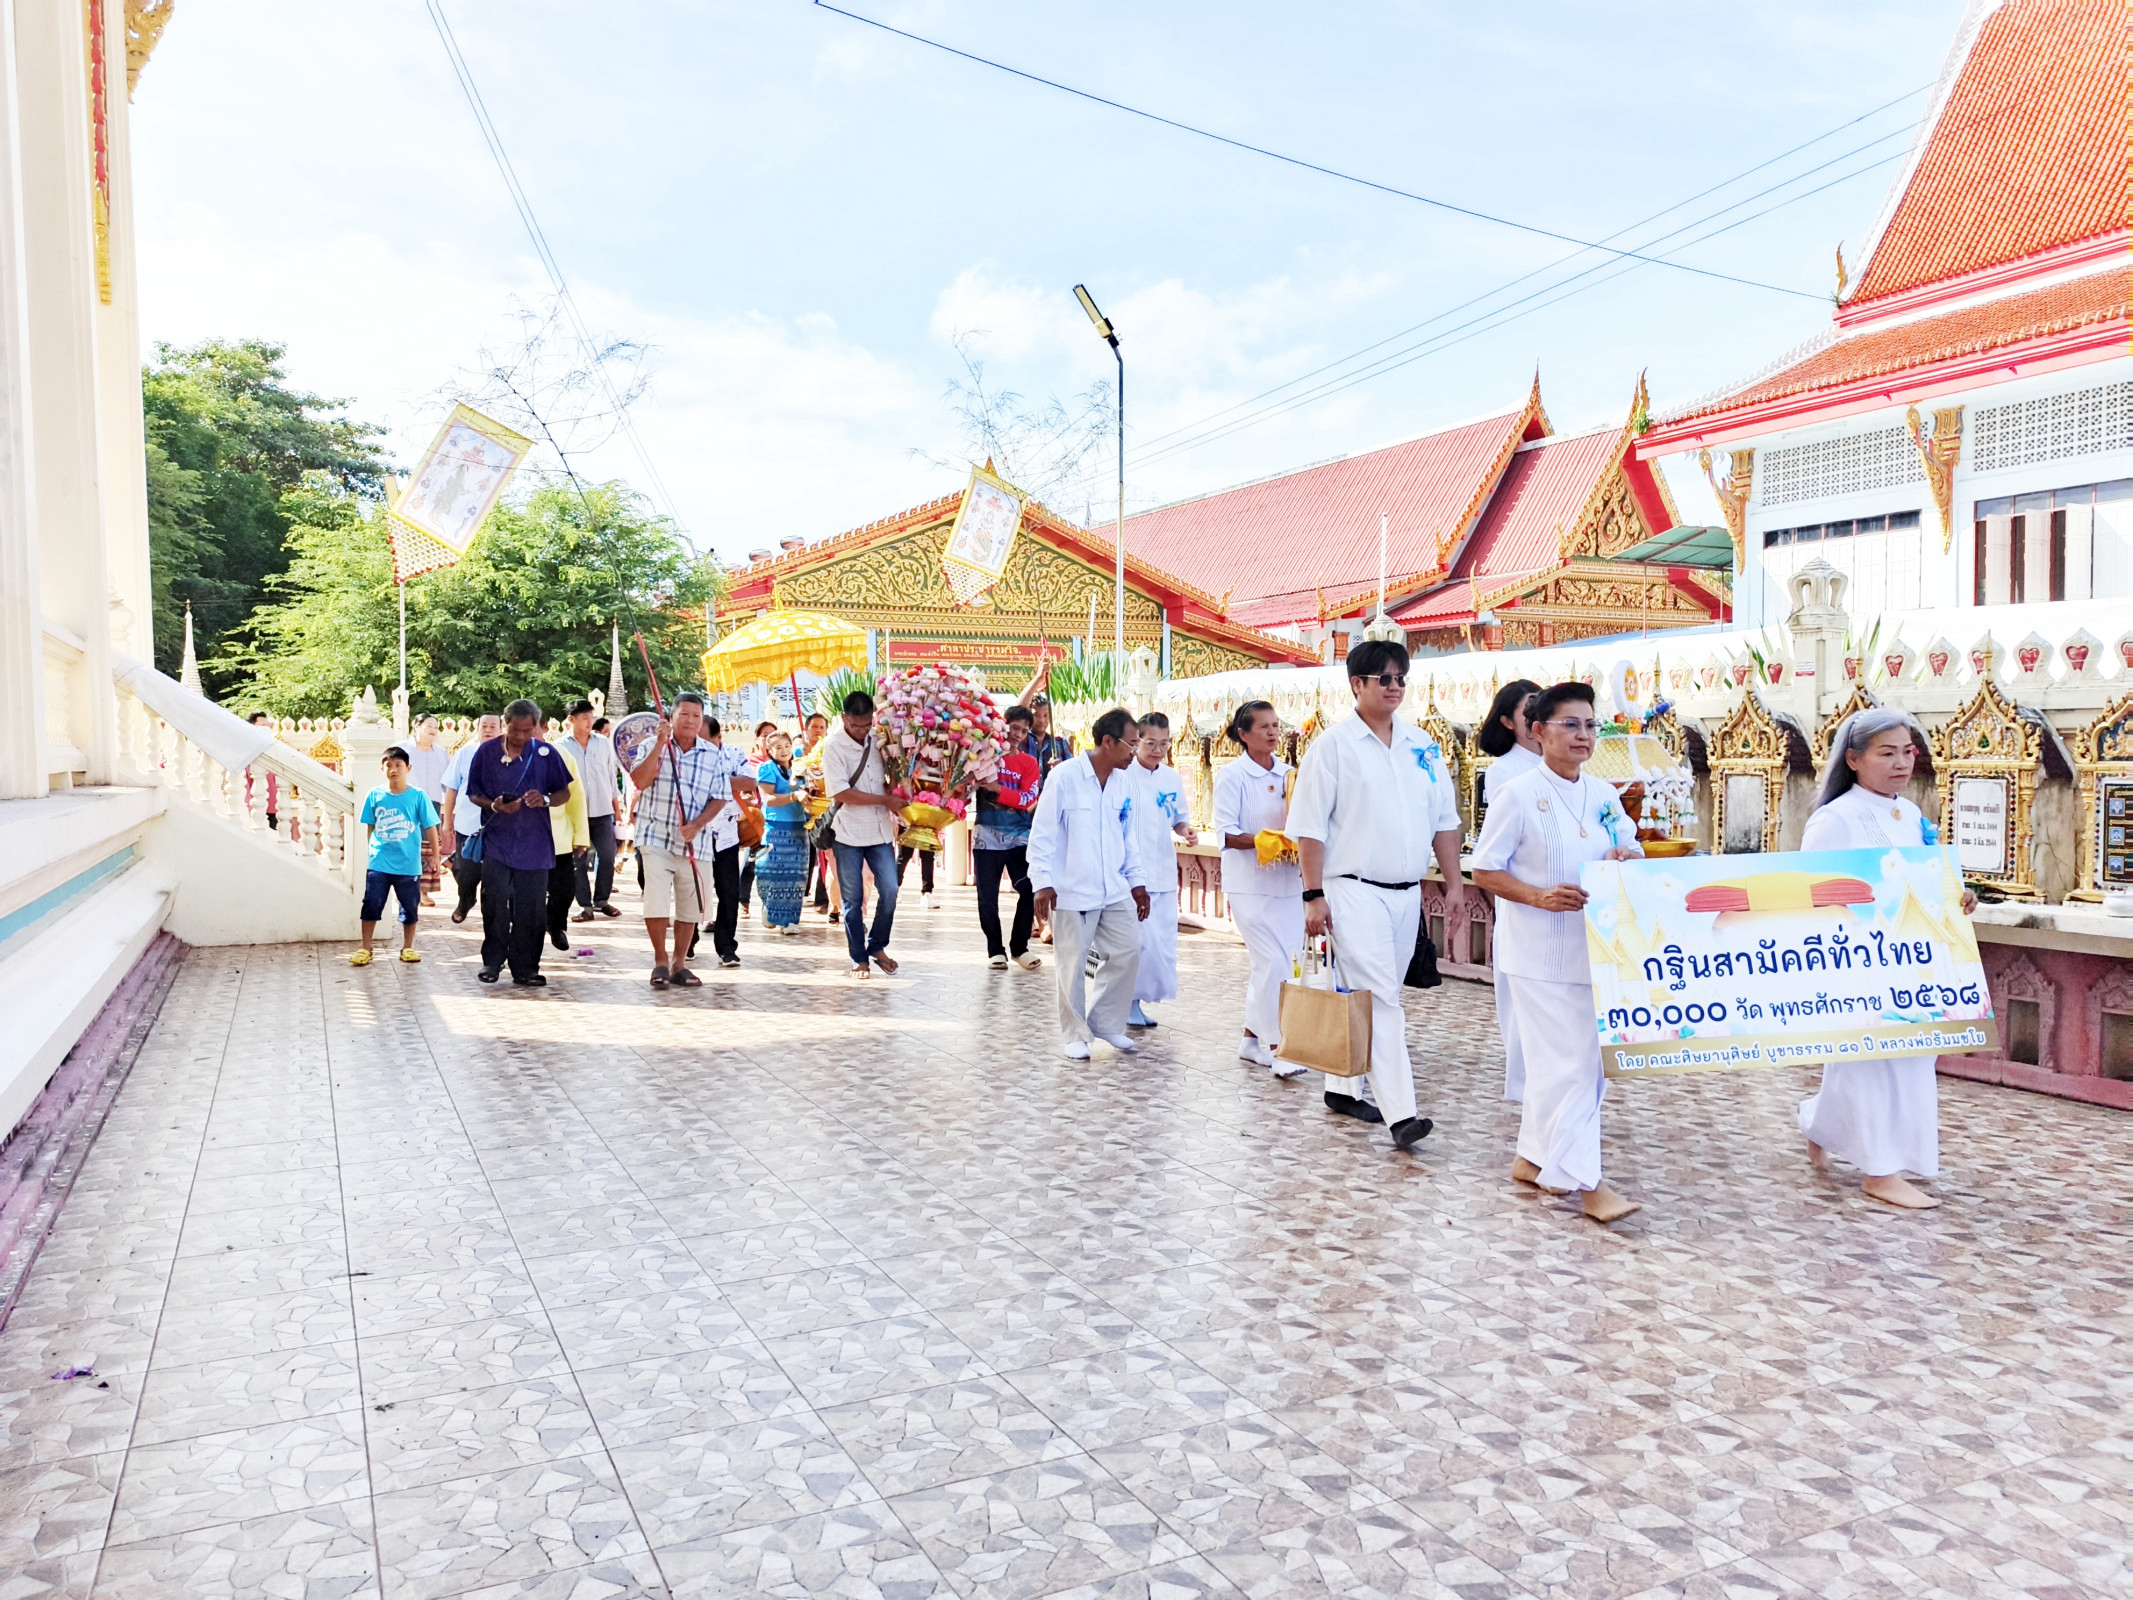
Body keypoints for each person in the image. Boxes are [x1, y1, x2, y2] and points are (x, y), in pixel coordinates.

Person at [1471, 681, 1644, 1222]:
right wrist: (1538, 897)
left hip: (1594, 950)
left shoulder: (1604, 795)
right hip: (1537, 956)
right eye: (1570, 724)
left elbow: (1632, 843)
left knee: (1582, 1064)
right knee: (1570, 1067)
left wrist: (1625, 853)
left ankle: (1533, 1158)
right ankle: (1589, 1184)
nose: (1583, 735)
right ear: (1538, 730)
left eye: (1591, 725)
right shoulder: (1518, 794)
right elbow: (1485, 868)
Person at [1289, 640, 1464, 1152]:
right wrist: (1313, 895)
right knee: (1384, 999)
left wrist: (1453, 885)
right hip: (1352, 890)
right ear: (1356, 685)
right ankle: (1401, 1113)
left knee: (1374, 993)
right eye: (1382, 678)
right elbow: (1309, 829)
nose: (1393, 687)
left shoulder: (1422, 746)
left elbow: (1445, 823)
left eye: (1399, 678)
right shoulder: (1334, 747)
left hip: (1406, 894)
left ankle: (1342, 1089)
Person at [1798, 707, 1972, 1210]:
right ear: (1853, 759)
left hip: (1913, 961)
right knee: (1871, 1059)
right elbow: (1813, 893)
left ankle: (1820, 1125)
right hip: (1859, 961)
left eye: (1907, 752)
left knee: (1911, 1056)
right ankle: (1879, 1171)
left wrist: (1956, 895)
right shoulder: (1836, 818)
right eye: (1886, 753)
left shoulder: (1910, 814)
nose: (1901, 763)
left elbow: (1926, 882)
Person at [1029, 707, 1150, 1061]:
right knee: (1072, 962)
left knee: (1129, 950)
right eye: (1131, 744)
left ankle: (1107, 1023)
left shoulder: (1125, 781)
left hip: (1114, 887)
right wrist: (1042, 882)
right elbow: (1043, 833)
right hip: (1072, 888)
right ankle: (1075, 1033)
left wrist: (1137, 882)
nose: (1135, 752)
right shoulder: (1065, 777)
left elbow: (1128, 836)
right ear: (1108, 742)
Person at [628, 691, 757, 988]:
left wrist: (698, 824)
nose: (690, 721)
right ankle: (660, 960)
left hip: (695, 839)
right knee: (656, 899)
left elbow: (721, 796)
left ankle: (679, 962)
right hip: (654, 834)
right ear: (671, 716)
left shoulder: (712, 755)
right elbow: (639, 781)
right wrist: (660, 744)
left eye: (696, 716)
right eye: (683, 714)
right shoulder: (653, 744)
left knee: (691, 903)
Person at [1214, 700, 1305, 1077]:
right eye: (1263, 727)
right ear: (1243, 734)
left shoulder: (1290, 774)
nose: (1272, 732)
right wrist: (1266, 841)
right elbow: (1227, 833)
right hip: (1249, 885)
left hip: (1288, 884)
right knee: (1273, 962)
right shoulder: (1232, 776)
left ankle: (1251, 1039)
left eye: (1275, 725)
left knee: (1281, 964)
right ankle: (1277, 1046)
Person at [463, 700, 575, 987]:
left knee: (532, 908)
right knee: (496, 902)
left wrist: (545, 799)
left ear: (536, 727)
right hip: (498, 842)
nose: (521, 737)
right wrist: (495, 805)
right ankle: (492, 960)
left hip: (535, 845)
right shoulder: (486, 752)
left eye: (528, 731)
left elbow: (564, 792)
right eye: (515, 730)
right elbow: (473, 793)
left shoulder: (546, 754)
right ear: (505, 723)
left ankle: (525, 967)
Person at [1477, 678, 1545, 1102]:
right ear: (1508, 721)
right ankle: (1523, 1088)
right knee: (1521, 1005)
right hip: (1524, 905)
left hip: (1569, 907)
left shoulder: (1568, 768)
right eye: (1529, 709)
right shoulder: (1506, 772)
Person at [821, 690, 901, 978]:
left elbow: (893, 774)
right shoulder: (834, 747)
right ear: (844, 719)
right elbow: (841, 792)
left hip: (880, 830)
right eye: (856, 725)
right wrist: (884, 800)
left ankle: (877, 945)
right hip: (848, 834)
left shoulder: (880, 739)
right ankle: (859, 958)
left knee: (890, 890)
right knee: (853, 900)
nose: (861, 730)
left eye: (866, 724)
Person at [1126, 712, 1196, 1028]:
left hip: (1163, 874)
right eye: (1151, 743)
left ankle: (1137, 1002)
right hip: (1130, 876)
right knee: (1136, 943)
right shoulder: (1123, 775)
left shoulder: (1170, 777)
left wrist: (1186, 830)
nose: (1157, 750)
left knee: (1160, 946)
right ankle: (1125, 1003)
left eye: (1164, 743)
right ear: (1137, 740)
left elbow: (1178, 816)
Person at [351, 745, 439, 966]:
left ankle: (408, 947)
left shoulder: (418, 796)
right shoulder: (375, 795)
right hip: (379, 862)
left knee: (409, 906)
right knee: (371, 903)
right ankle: (365, 947)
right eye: (388, 765)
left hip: (408, 864)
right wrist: (372, 850)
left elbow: (430, 828)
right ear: (382, 768)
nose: (393, 769)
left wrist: (436, 857)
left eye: (398, 765)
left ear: (407, 768)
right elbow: (370, 826)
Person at [972, 704, 1042, 972]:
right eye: (1014, 727)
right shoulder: (983, 756)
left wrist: (996, 789)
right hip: (986, 839)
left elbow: (1028, 799)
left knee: (1029, 888)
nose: (1018, 734)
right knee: (987, 897)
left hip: (1019, 839)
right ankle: (995, 950)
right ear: (1004, 725)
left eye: (1024, 731)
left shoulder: (1029, 763)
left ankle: (1019, 947)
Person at [557, 699, 622, 921]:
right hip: (575, 813)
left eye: (590, 717)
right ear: (571, 720)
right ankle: (584, 905)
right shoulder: (561, 747)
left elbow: (611, 777)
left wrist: (617, 808)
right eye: (584, 718)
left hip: (603, 810)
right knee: (578, 861)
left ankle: (602, 900)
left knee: (607, 855)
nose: (588, 722)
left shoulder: (603, 743)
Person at [440, 713, 501, 924]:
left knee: (495, 874)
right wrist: (447, 821)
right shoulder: (465, 754)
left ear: (501, 729)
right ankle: (465, 900)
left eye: (493, 726)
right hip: (468, 823)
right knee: (465, 871)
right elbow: (452, 789)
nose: (488, 729)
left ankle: (493, 914)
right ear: (477, 728)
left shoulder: (510, 754)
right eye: (484, 725)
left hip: (498, 826)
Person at [754, 729, 810, 933]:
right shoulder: (766, 769)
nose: (784, 751)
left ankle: (790, 920)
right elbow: (768, 799)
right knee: (771, 873)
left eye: (787, 746)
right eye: (778, 747)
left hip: (799, 826)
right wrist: (794, 796)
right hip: (776, 828)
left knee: (796, 875)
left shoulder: (801, 767)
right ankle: (769, 908)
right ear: (769, 750)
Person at [542, 737, 592, 954]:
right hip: (522, 840)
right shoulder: (507, 754)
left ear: (542, 728)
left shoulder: (561, 754)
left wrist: (581, 836)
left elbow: (576, 797)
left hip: (558, 837)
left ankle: (555, 924)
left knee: (564, 890)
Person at [406, 715, 452, 906]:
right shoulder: (403, 749)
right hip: (407, 802)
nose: (433, 729)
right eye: (428, 726)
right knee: (408, 847)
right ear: (417, 726)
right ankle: (407, 889)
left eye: (436, 726)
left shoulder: (441, 753)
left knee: (429, 848)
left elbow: (447, 783)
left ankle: (424, 892)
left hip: (432, 804)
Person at [247, 712, 280, 830]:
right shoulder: (247, 750)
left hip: (272, 805)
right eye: (262, 725)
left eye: (268, 725)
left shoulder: (272, 748)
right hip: (254, 803)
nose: (266, 728)